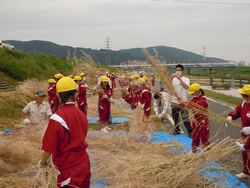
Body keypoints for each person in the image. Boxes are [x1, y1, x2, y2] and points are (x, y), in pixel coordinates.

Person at [38, 77, 91, 187]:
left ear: (58, 95)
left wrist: (42, 163)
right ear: (76, 94)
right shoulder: (82, 115)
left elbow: (49, 146)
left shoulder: (57, 118)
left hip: (69, 166)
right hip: (84, 162)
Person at [227, 85, 250, 179]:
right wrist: (231, 116)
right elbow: (237, 110)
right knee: (245, 152)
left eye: (243, 96)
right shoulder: (244, 103)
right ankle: (246, 171)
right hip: (245, 131)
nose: (242, 98)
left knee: (246, 148)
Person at [181, 83, 210, 154]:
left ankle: (207, 153)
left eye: (192, 93)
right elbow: (188, 105)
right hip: (196, 119)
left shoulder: (203, 98)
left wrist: (188, 104)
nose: (191, 94)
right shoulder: (193, 98)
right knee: (195, 136)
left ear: (197, 91)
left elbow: (197, 105)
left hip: (203, 120)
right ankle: (193, 151)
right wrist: (181, 103)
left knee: (204, 138)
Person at [171, 64, 193, 138]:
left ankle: (190, 132)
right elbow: (170, 88)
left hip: (183, 102)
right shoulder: (174, 79)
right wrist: (171, 79)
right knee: (175, 118)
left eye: (179, 70)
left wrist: (180, 79)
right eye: (176, 70)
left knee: (185, 118)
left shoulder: (186, 79)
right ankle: (176, 130)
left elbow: (186, 87)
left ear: (182, 71)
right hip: (174, 101)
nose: (178, 72)